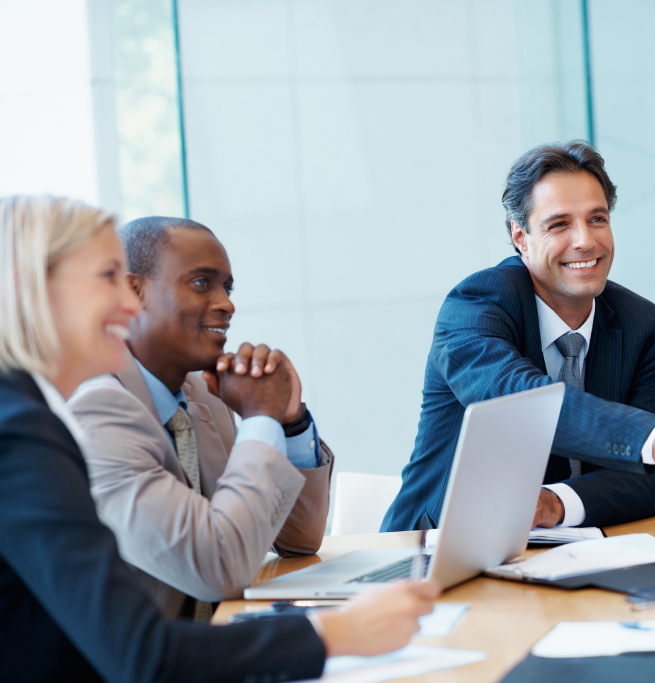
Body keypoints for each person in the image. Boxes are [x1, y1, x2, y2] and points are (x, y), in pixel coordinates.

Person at [0, 195, 439, 682]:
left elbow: (293, 537)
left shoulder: (196, 396)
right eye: (107, 278)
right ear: (30, 288)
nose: (128, 303)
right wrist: (333, 634)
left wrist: (286, 422)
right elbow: (149, 647)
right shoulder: (26, 432)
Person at [383, 141, 655, 532]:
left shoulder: (644, 325)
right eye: (559, 224)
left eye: (597, 219)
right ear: (520, 237)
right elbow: (521, 403)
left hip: (571, 560)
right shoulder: (476, 304)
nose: (585, 240)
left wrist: (554, 504)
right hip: (434, 555)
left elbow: (648, 481)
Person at [67, 216, 331, 620]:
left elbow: (299, 540)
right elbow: (216, 571)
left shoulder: (207, 397)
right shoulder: (96, 410)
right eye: (201, 283)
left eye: (227, 286)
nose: (227, 303)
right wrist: (261, 418)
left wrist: (288, 422)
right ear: (132, 292)